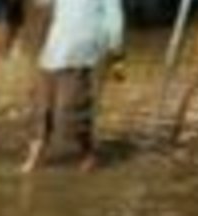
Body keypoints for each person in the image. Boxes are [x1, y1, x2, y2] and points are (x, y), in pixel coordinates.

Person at [21, 0, 125, 172]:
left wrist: (116, 54)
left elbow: (115, 20)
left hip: (80, 52)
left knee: (71, 107)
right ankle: (35, 155)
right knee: (41, 106)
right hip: (54, 49)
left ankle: (88, 152)